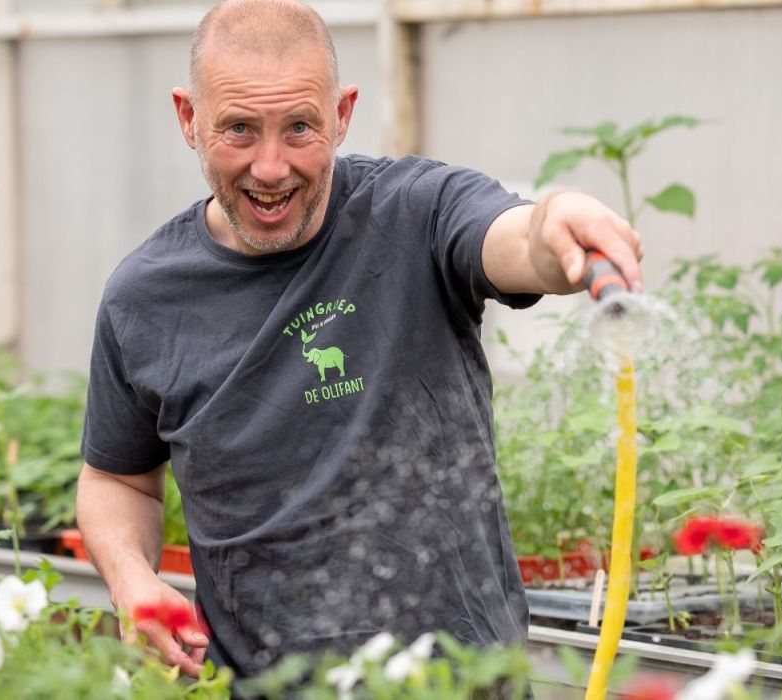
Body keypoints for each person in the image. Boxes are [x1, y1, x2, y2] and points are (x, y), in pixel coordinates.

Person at [74, 0, 644, 682]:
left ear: (341, 114)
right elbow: (117, 478)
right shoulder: (145, 298)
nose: (271, 166)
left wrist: (554, 221)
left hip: (457, 685)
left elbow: (513, 238)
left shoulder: (416, 211)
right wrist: (132, 578)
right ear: (189, 119)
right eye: (239, 129)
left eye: (300, 128)